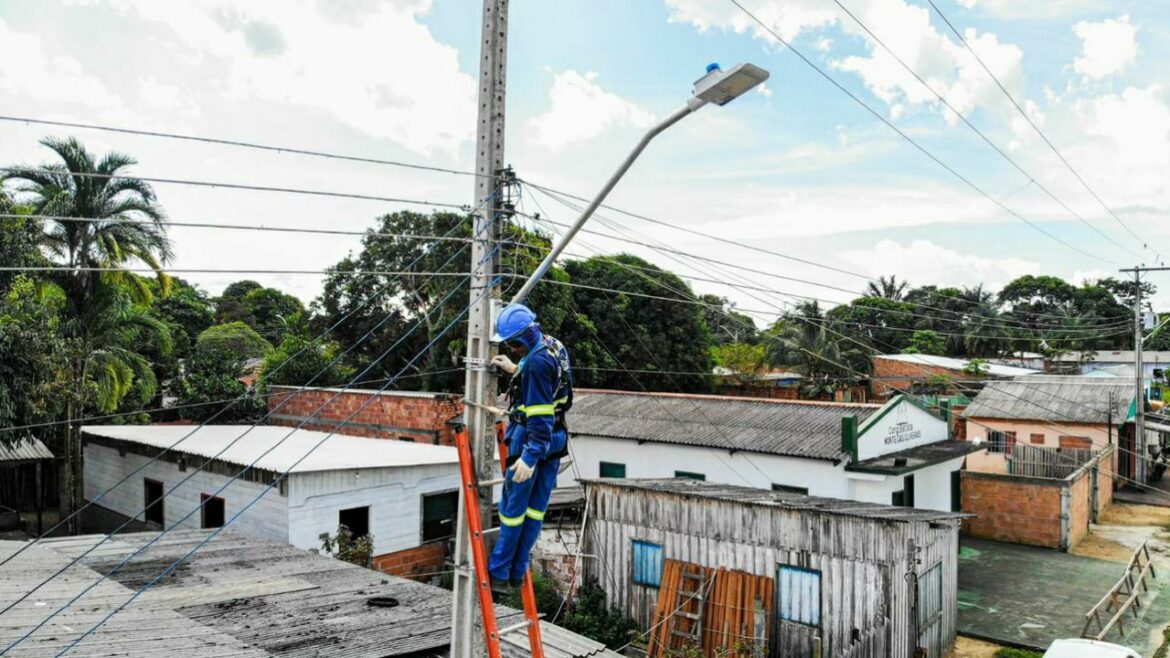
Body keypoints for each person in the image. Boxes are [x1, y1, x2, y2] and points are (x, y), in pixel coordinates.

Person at [486, 303, 573, 588]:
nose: (512, 349)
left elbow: (539, 415)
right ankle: (518, 568)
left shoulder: (535, 363)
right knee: (536, 509)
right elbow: (550, 382)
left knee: (514, 510)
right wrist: (515, 370)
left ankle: (499, 572)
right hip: (556, 438)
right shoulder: (552, 345)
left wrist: (528, 457)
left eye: (512, 344)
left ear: (521, 338)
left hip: (533, 440)